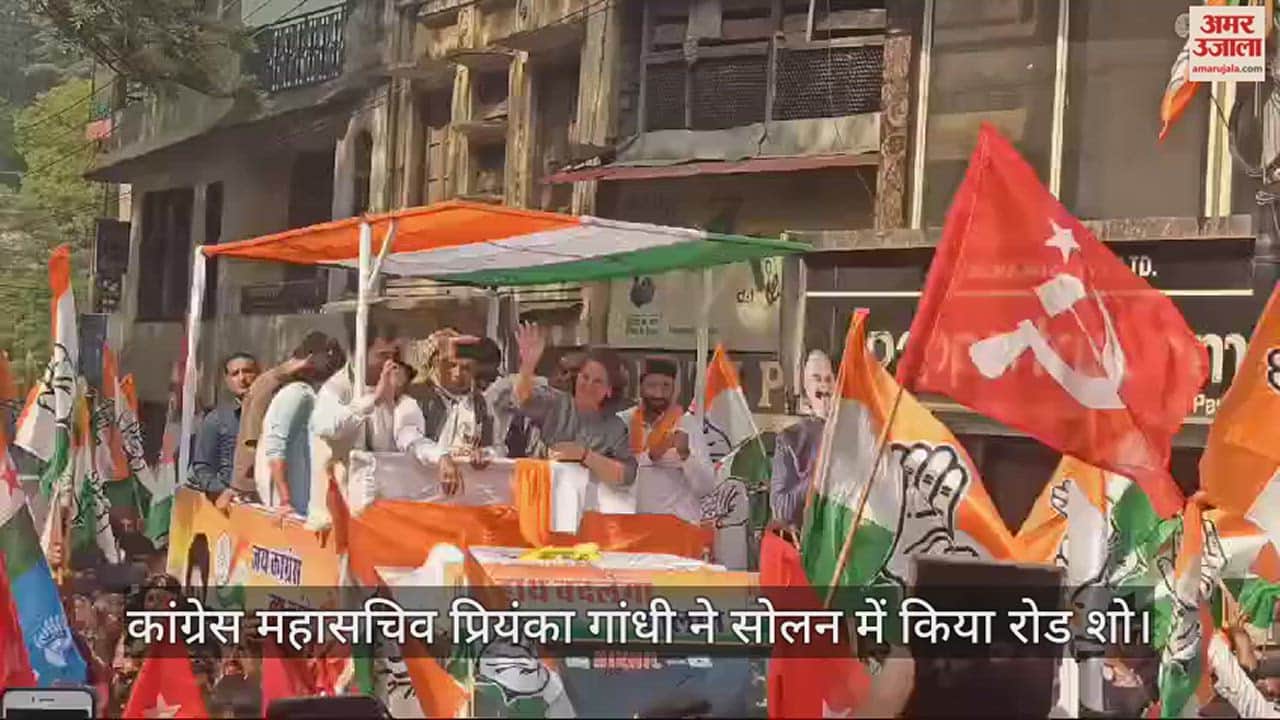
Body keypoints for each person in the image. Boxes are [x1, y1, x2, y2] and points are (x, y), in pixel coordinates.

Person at [489, 323, 635, 487]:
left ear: (609, 390)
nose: (588, 385)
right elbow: (522, 399)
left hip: (585, 504)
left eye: (598, 381)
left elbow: (627, 475)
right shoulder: (556, 403)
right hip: (542, 493)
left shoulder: (614, 427)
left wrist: (584, 455)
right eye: (585, 377)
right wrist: (528, 365)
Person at [308, 322, 404, 530]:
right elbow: (327, 427)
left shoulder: (386, 386)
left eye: (392, 356)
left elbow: (386, 446)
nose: (388, 364)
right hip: (335, 516)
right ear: (359, 352)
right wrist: (373, 400)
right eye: (382, 356)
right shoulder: (335, 388)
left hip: (374, 512)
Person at [229, 335, 330, 508]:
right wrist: (242, 486)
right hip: (266, 491)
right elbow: (254, 441)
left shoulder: (269, 385)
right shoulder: (290, 391)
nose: (243, 378)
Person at [617, 356, 715, 524]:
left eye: (666, 386)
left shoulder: (687, 425)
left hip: (677, 530)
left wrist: (686, 455)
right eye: (652, 385)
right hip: (632, 531)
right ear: (640, 387)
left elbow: (706, 487)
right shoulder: (622, 422)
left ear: (674, 389)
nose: (659, 393)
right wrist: (652, 456)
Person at [401, 331, 500, 495]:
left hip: (465, 493)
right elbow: (409, 437)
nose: (457, 373)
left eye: (466, 368)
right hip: (421, 490)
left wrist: (485, 453)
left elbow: (497, 447)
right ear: (437, 363)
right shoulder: (418, 396)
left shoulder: (480, 403)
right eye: (451, 365)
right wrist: (441, 457)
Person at [258, 338, 347, 516]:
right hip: (294, 504)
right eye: (328, 359)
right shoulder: (299, 394)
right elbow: (276, 446)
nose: (332, 366)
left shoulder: (309, 394)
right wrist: (285, 500)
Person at [770, 349, 835, 529]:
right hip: (807, 547)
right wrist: (816, 478)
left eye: (829, 379)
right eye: (817, 378)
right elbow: (781, 510)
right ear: (806, 386)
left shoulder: (854, 435)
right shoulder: (790, 438)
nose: (824, 385)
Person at [191, 353, 259, 498]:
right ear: (228, 381)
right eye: (235, 374)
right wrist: (222, 491)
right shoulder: (217, 420)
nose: (242, 378)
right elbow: (202, 467)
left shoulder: (271, 415)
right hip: (232, 504)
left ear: (259, 375)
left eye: (247, 371)